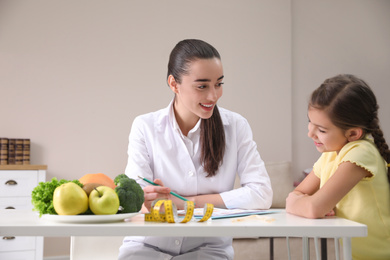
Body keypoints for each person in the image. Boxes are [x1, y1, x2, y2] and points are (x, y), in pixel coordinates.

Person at [118, 39, 273, 260]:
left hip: (208, 250)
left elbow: (261, 193)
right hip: (146, 248)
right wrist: (147, 199)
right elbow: (137, 197)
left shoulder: (236, 126)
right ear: (174, 84)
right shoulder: (145, 127)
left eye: (218, 84)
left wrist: (185, 203)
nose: (213, 96)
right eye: (202, 86)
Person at [286, 74, 390, 259]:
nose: (310, 133)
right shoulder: (330, 154)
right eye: (310, 122)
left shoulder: (361, 152)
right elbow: (300, 193)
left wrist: (299, 203)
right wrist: (301, 201)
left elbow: (310, 207)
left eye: (322, 129)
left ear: (353, 133)